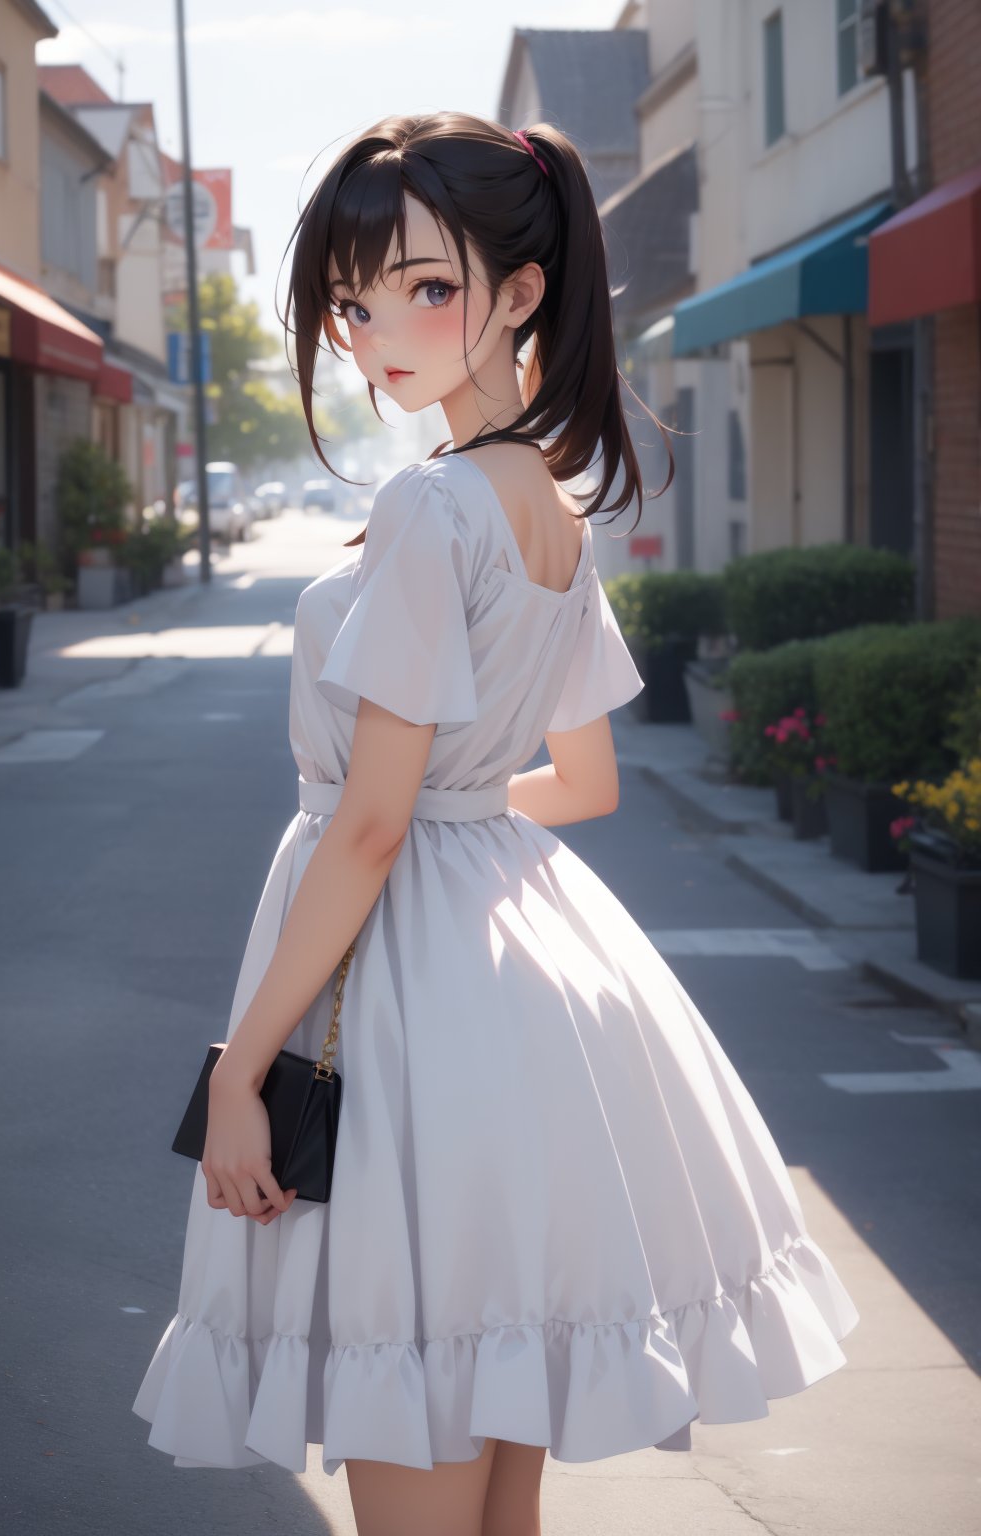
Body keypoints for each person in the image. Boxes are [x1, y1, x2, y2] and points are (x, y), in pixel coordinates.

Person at [132, 113, 859, 1536]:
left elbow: (371, 829)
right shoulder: (554, 507)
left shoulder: (431, 506)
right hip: (514, 993)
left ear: (521, 293)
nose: (376, 331)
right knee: (494, 1484)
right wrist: (458, 809)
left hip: (404, 1008)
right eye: (353, 300)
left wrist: (243, 1068)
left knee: (415, 1430)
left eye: (423, 286)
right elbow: (578, 784)